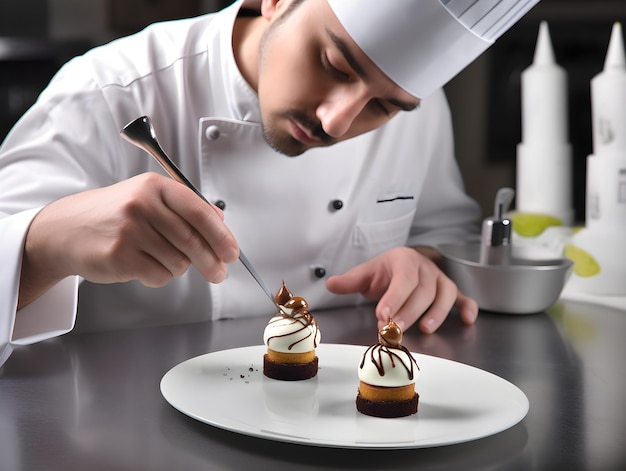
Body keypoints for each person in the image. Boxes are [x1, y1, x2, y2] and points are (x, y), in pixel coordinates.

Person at [0, 0, 539, 366]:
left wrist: (422, 262)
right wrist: (46, 244)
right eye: (333, 62)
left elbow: (446, 228)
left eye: (383, 106)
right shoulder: (102, 92)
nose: (337, 121)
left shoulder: (419, 111)